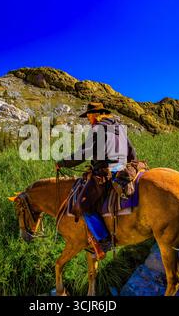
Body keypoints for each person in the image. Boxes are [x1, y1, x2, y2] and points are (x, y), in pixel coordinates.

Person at [56, 102, 137, 254]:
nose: (88, 119)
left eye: (89, 116)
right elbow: (132, 152)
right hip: (123, 169)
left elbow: (84, 152)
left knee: (83, 206)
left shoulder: (97, 128)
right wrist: (128, 166)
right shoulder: (119, 128)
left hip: (105, 173)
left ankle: (104, 241)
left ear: (95, 115)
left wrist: (62, 162)